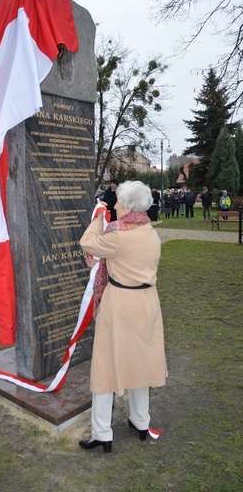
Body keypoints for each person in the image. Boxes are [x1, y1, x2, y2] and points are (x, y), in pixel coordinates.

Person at [78, 181, 167, 453]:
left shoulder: (117, 235)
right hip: (147, 302)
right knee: (141, 362)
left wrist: (99, 216)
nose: (114, 205)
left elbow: (86, 242)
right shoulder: (150, 232)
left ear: (127, 205)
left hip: (121, 303)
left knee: (105, 366)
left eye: (117, 201)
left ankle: (102, 432)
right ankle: (141, 421)